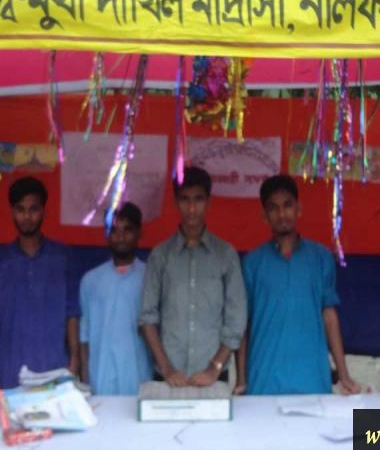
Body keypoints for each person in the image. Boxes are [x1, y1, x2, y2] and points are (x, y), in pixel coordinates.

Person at [236, 175, 362, 396]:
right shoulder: (252, 263)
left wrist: (343, 375)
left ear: (299, 209)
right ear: (264, 216)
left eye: (287, 205)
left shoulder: (321, 257)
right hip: (263, 382)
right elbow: (243, 324)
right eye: (273, 208)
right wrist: (241, 380)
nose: (281, 214)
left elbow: (329, 317)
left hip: (312, 380)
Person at [140, 166, 247, 387]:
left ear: (208, 202)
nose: (191, 208)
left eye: (198, 199)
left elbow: (236, 320)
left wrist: (214, 367)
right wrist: (167, 369)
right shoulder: (160, 255)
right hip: (168, 378)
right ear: (175, 202)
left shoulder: (225, 255)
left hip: (214, 377)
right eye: (184, 200)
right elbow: (147, 318)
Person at [0, 177, 80, 410]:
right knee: (10, 431)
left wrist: (74, 362)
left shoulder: (62, 258)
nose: (27, 216)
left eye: (33, 209)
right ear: (12, 212)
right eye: (20, 209)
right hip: (9, 374)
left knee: (55, 430)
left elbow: (72, 314)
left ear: (43, 211)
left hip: (54, 370)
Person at [79, 202, 152, 395]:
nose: (121, 236)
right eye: (114, 230)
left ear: (139, 233)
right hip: (100, 384)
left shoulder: (151, 277)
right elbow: (84, 336)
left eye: (127, 229)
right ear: (107, 234)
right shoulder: (90, 281)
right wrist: (85, 380)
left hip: (141, 382)